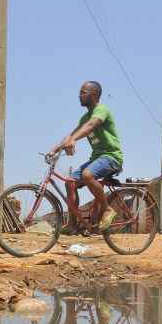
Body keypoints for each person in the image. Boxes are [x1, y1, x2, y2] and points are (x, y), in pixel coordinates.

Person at [53, 81, 124, 233]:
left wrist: (73, 140)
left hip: (111, 157)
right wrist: (55, 149)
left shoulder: (101, 110)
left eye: (83, 92)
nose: (79, 95)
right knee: (70, 182)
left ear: (93, 95)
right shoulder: (84, 117)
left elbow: (91, 126)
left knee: (87, 174)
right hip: (97, 158)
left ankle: (107, 210)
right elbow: (72, 134)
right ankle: (73, 224)